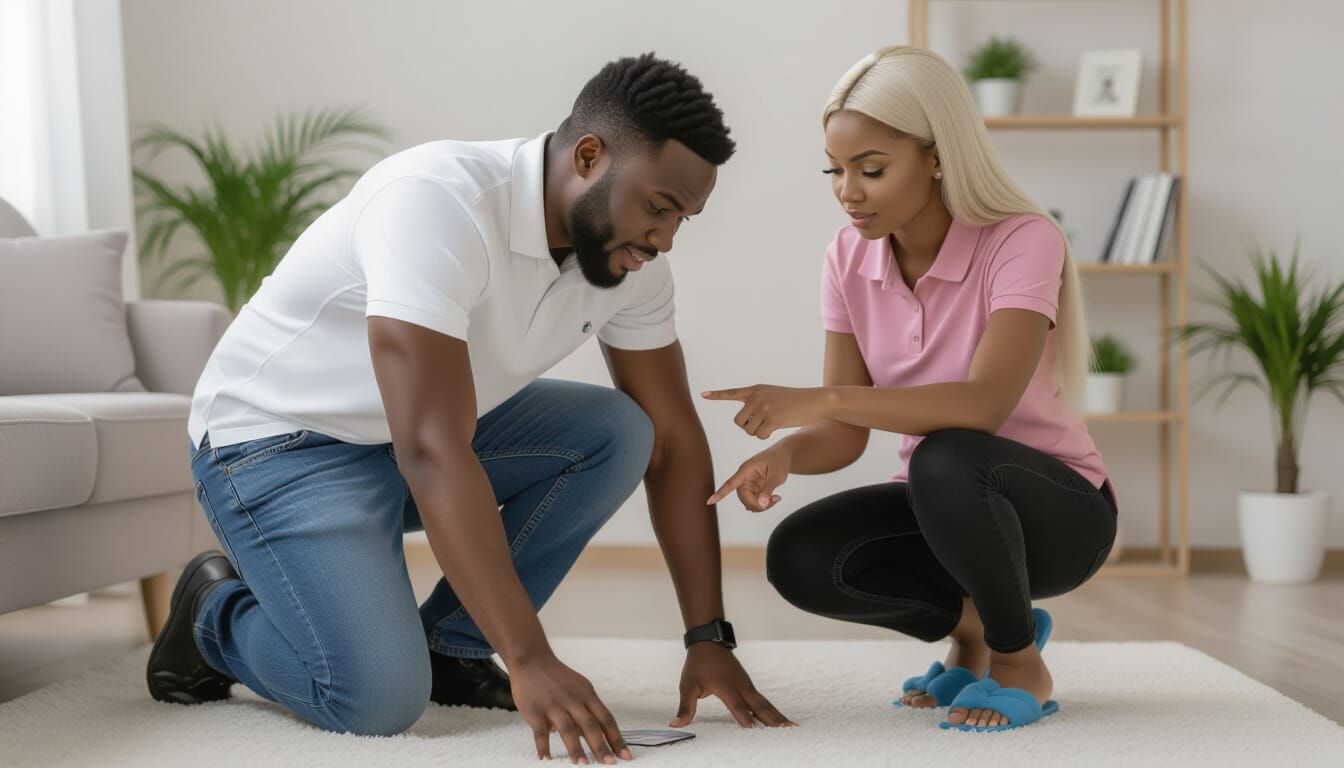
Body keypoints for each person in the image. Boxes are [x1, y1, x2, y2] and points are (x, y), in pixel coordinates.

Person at [147, 52, 792, 762]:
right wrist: (530, 658)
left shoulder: (629, 264)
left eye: (683, 219)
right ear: (588, 156)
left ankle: (454, 647)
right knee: (375, 700)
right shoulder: (437, 203)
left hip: (410, 441)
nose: (665, 240)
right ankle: (212, 612)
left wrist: (708, 635)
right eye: (658, 207)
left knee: (620, 432)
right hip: (278, 446)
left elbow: (670, 439)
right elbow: (431, 449)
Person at [702, 45, 1118, 733]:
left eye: (871, 170)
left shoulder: (1023, 239)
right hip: (945, 512)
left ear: (935, 155)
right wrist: (787, 455)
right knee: (800, 555)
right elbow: (842, 435)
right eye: (834, 171)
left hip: (1059, 518)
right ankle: (979, 631)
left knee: (947, 454)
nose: (848, 191)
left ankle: (1019, 664)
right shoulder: (847, 258)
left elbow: (982, 405)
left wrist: (819, 398)